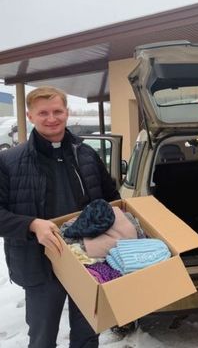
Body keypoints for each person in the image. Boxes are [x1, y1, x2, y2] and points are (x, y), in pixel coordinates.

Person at [0, 86, 120, 348]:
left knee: (88, 335)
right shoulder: (9, 161)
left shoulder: (87, 155)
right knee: (42, 339)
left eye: (57, 111)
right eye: (43, 113)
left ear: (67, 113)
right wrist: (31, 224)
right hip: (39, 264)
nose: (51, 118)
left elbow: (112, 200)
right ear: (30, 116)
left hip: (89, 261)